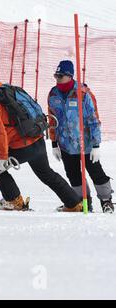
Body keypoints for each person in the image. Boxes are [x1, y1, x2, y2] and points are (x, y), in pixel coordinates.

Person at [0, 74, 83, 212]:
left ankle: (13, 200)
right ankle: (74, 203)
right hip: (36, 137)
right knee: (47, 174)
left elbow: (0, 133)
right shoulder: (3, 89)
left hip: (23, 145)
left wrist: (3, 158)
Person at [48, 60, 114, 213]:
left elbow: (93, 119)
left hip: (86, 143)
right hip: (66, 145)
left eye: (61, 76)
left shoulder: (83, 94)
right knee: (73, 175)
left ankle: (106, 201)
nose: (57, 79)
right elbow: (52, 120)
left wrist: (96, 145)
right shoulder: (53, 94)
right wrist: (54, 143)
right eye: (56, 76)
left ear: (70, 76)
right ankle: (83, 202)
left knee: (96, 172)